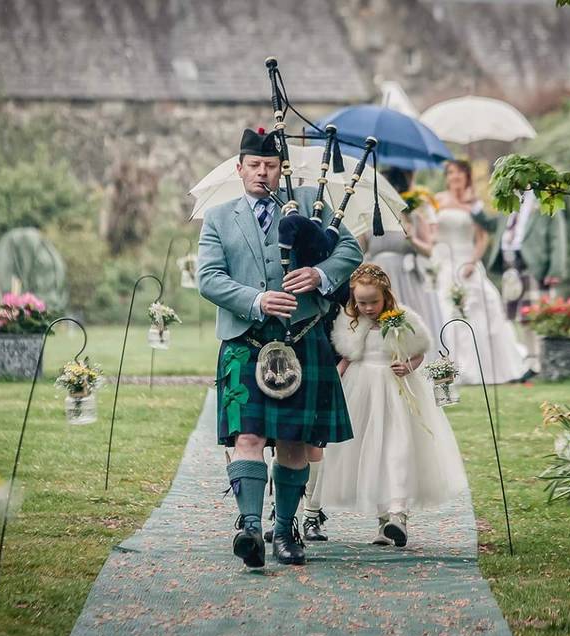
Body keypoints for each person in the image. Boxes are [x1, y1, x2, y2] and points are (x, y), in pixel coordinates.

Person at [197, 128, 362, 568]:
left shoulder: (311, 203)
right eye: (254, 165)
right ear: (240, 169)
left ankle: (285, 530)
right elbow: (209, 278)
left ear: (281, 168)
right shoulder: (219, 218)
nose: (263, 173)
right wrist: (256, 300)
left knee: (293, 440)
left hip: (302, 337)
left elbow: (350, 250)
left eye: (270, 165)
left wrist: (320, 275)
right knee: (247, 435)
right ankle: (250, 526)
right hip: (246, 341)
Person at [321, 264, 468, 546]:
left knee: (396, 448)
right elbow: (347, 357)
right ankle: (382, 522)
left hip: (396, 391)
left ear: (386, 296)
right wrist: (336, 376)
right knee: (370, 453)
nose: (367, 308)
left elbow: (419, 353)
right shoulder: (350, 322)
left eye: (373, 302)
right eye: (361, 302)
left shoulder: (402, 320)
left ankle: (398, 514)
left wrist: (408, 365)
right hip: (362, 391)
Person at [432, 160, 528, 384]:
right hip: (443, 262)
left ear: (466, 176)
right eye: (450, 173)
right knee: (444, 309)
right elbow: (431, 230)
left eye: (459, 173)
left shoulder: (474, 203)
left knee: (479, 309)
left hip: (467, 261)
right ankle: (446, 365)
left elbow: (483, 237)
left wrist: (472, 262)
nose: (454, 177)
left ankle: (482, 367)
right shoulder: (438, 200)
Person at [363, 167, 445, 361]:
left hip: (405, 277)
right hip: (377, 276)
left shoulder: (413, 214)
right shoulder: (369, 216)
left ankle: (416, 360)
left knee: (411, 319)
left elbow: (429, 250)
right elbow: (361, 248)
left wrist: (413, 238)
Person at [484, 189, 567, 372]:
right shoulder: (508, 201)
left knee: (536, 317)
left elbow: (557, 236)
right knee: (522, 319)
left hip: (534, 267)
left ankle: (541, 362)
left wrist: (556, 269)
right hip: (511, 268)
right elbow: (493, 225)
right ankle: (531, 362)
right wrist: (473, 208)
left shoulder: (545, 199)